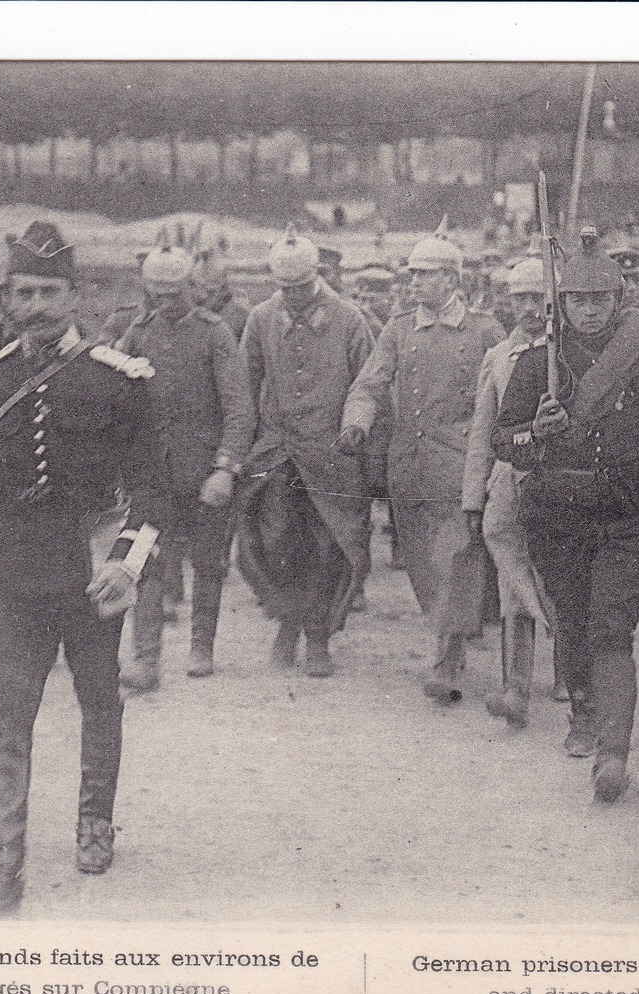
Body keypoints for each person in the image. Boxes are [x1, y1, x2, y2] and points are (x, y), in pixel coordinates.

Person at [0, 221, 171, 909]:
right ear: (8, 299)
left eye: (49, 291)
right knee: (8, 709)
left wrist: (128, 565)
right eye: (24, 292)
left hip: (92, 567)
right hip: (16, 571)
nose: (37, 305)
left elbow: (153, 486)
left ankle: (94, 822)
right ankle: (3, 860)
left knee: (98, 699)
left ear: (75, 297)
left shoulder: (120, 380)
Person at [491, 233, 639, 802]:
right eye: (578, 300)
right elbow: (502, 438)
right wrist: (532, 433)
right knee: (571, 622)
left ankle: (614, 752)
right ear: (561, 304)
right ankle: (584, 714)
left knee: (612, 627)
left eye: (600, 299)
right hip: (560, 520)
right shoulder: (538, 365)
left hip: (628, 517)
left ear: (617, 302)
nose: (589, 310)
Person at [336, 221, 505, 702]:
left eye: (425, 275)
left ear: (453, 280)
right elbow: (369, 383)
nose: (414, 284)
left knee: (456, 557)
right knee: (421, 566)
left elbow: (500, 398)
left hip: (459, 466)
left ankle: (449, 657)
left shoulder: (484, 332)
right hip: (406, 469)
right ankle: (451, 631)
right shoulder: (398, 330)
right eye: (411, 275)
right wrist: (357, 423)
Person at [114, 237, 255, 689]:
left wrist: (225, 468)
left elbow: (238, 407)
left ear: (193, 288)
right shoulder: (137, 334)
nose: (168, 304)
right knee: (143, 563)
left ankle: (201, 646)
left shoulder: (215, 334)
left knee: (208, 563)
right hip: (151, 478)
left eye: (175, 294)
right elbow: (118, 400)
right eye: (159, 295)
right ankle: (145, 659)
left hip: (204, 476)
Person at [235, 225, 375, 676]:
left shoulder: (350, 320)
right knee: (274, 542)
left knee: (326, 547)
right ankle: (286, 624)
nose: (293, 296)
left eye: (302, 287)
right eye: (284, 288)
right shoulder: (260, 319)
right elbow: (245, 386)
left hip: (332, 458)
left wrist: (356, 432)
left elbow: (367, 386)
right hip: (277, 454)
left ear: (319, 276)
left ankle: (317, 637)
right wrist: (244, 449)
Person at [462, 258, 558, 727]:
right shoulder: (499, 357)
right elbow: (483, 431)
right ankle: (515, 688)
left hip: (559, 483)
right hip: (507, 481)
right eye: (519, 298)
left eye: (537, 298)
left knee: (559, 576)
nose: (528, 309)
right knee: (510, 581)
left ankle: (566, 672)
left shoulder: (568, 355)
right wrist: (472, 497)